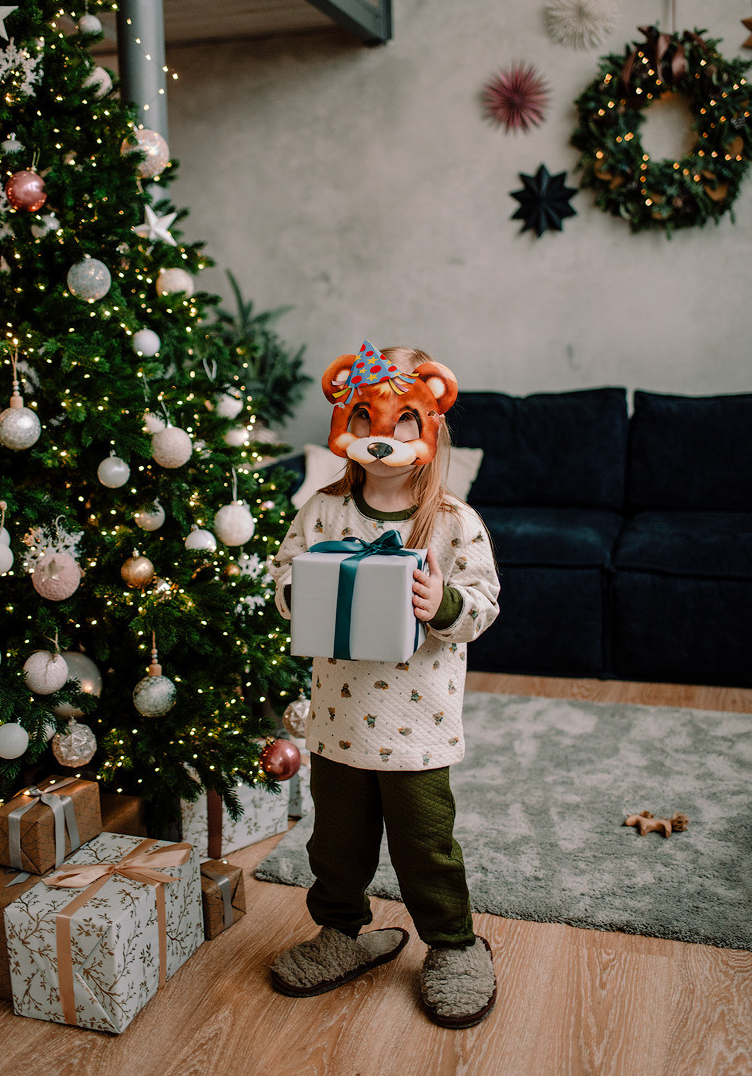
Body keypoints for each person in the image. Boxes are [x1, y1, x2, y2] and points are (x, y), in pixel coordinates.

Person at [268, 341, 500, 1028]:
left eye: (402, 422)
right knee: (334, 842)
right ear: (346, 421)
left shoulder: (452, 521)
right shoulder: (321, 510)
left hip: (417, 725)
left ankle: (453, 943)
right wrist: (297, 589)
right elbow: (282, 573)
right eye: (366, 419)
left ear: (428, 426)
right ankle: (341, 931)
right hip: (337, 717)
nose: (382, 436)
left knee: (423, 843)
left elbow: (483, 601)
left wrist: (444, 605)